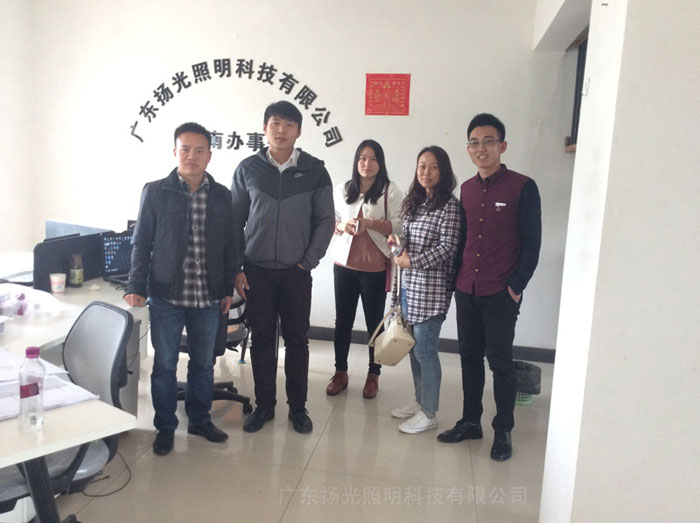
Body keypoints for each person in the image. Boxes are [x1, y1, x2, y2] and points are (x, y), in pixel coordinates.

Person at [125, 122, 235, 456]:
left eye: (199, 150)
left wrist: (226, 288)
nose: (192, 156)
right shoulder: (155, 191)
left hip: (207, 295)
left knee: (203, 364)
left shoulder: (221, 195)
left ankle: (199, 420)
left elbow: (231, 245)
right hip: (166, 296)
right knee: (165, 365)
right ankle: (165, 426)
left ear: (209, 156)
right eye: (185, 149)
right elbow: (141, 242)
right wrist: (135, 284)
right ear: (175, 152)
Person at [438, 113, 541, 461]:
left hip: (500, 292)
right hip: (467, 288)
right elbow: (463, 239)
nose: (481, 148)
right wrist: (456, 281)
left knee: (500, 361)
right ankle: (471, 421)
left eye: (488, 141)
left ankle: (503, 429)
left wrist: (516, 286)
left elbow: (532, 243)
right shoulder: (466, 189)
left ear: (502, 146)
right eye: (474, 143)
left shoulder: (523, 187)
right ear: (468, 149)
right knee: (469, 359)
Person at [231, 101, 334, 434]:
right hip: (256, 270)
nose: (281, 130)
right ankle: (264, 406)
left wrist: (308, 262)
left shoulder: (315, 171)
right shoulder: (248, 169)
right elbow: (234, 221)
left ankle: (298, 408)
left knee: (297, 341)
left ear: (299, 131)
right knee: (262, 340)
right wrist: (237, 266)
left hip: (295, 272)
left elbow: (325, 220)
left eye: (289, 125)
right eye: (275, 123)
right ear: (265, 128)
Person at [390, 146, 461, 434]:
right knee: (413, 349)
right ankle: (420, 401)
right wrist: (398, 242)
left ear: (443, 171)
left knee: (426, 352)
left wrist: (413, 260)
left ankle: (430, 412)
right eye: (422, 166)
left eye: (433, 167)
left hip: (432, 293)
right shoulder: (415, 201)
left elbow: (448, 248)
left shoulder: (449, 206)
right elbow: (408, 237)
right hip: (410, 288)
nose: (426, 172)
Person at [327, 140, 403, 399]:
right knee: (343, 321)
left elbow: (398, 225)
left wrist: (371, 223)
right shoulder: (342, 189)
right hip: (344, 265)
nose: (366, 164)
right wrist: (342, 226)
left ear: (380, 163)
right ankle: (340, 372)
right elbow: (331, 221)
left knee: (375, 323)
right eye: (362, 158)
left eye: (372, 159)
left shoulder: (390, 191)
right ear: (356, 161)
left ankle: (373, 374)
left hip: (375, 268)